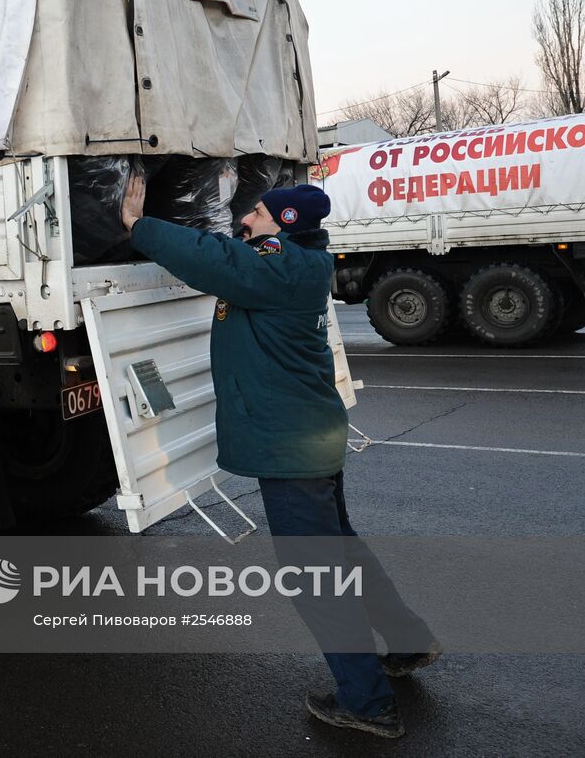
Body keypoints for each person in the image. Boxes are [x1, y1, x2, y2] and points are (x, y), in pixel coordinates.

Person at [121, 177, 438, 740]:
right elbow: (231, 254)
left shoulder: (279, 267)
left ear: (285, 224)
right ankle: (408, 641)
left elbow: (213, 258)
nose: (247, 220)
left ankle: (367, 703)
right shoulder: (298, 263)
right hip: (310, 437)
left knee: (315, 576)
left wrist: (138, 225)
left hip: (292, 448)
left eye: (260, 214)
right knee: (342, 552)